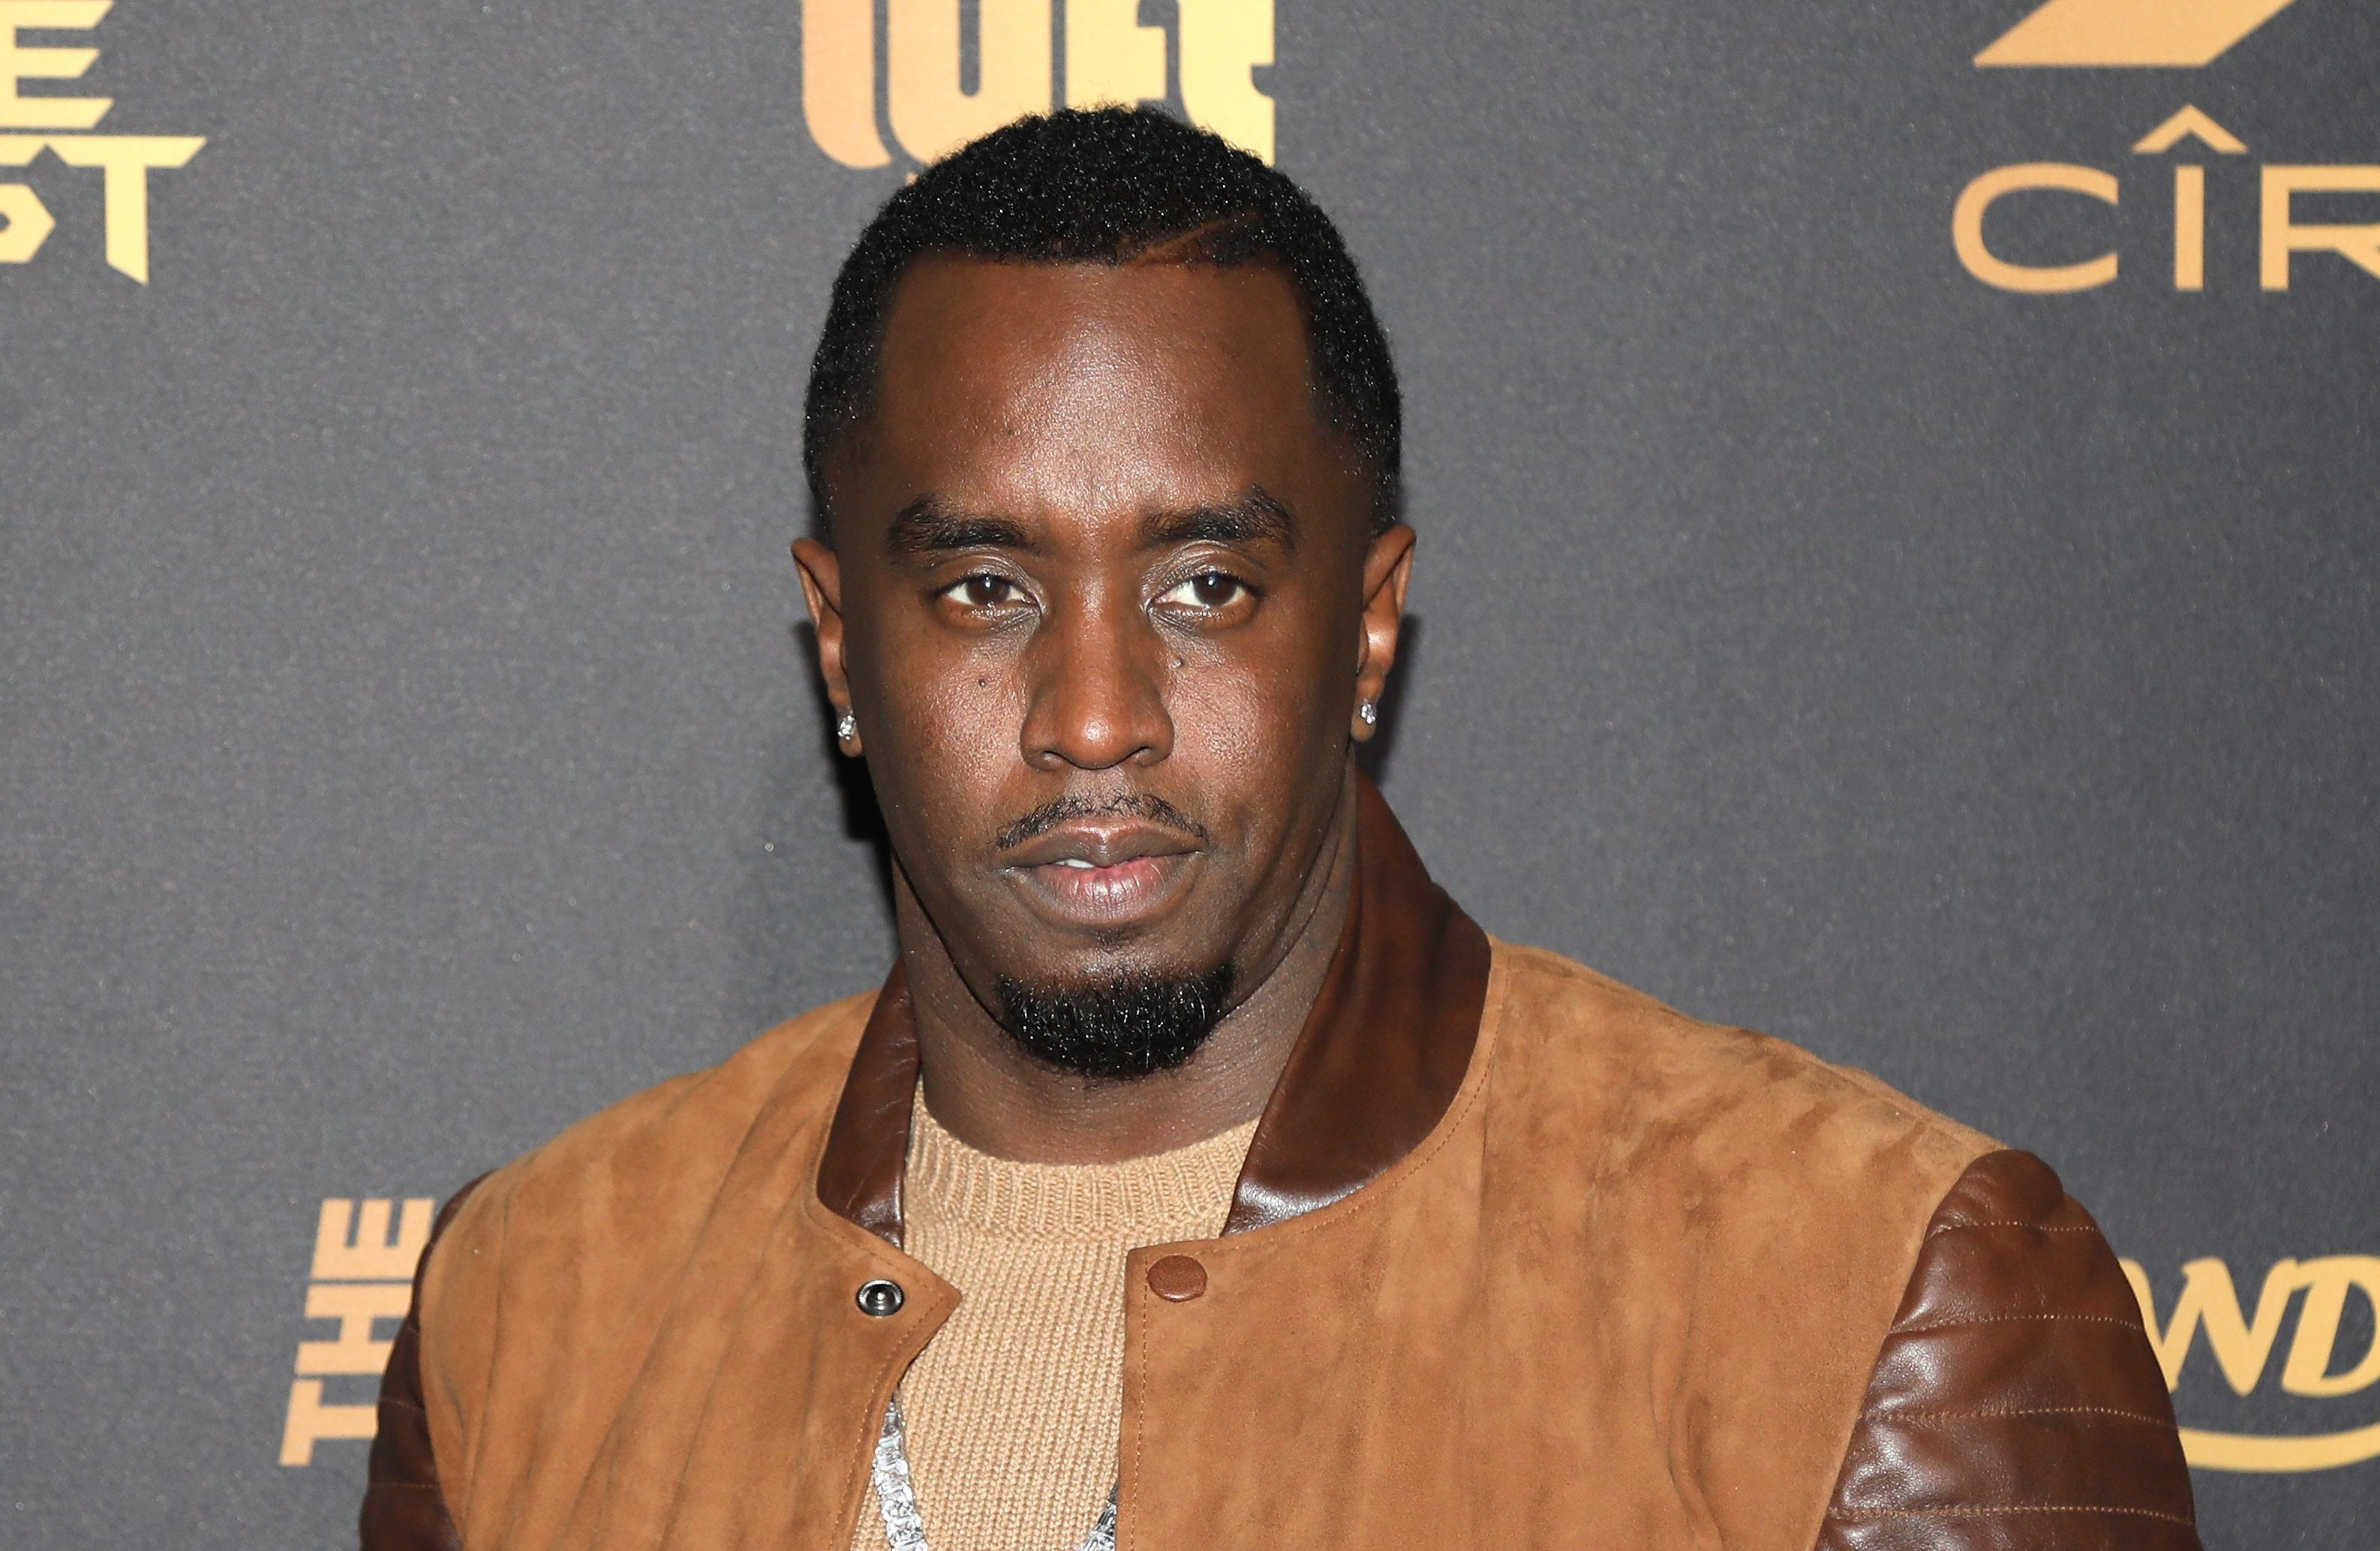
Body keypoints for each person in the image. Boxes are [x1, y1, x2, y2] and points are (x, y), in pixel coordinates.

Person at [361, 107, 2199, 1551]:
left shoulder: (1869, 1286)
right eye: (987, 586)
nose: (1097, 712)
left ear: (1368, 626)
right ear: (842, 643)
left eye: (1207, 584)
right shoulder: (531, 1302)